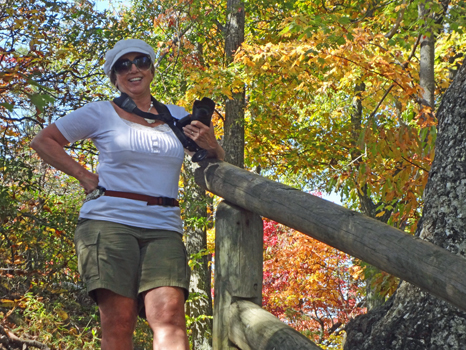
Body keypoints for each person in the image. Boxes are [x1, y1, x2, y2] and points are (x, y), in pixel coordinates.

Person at [31, 38, 225, 350]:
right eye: (123, 65)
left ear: (151, 69)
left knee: (170, 316)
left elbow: (213, 162)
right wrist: (83, 175)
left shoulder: (175, 116)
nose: (133, 69)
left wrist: (211, 143)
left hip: (164, 226)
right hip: (108, 224)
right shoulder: (100, 113)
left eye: (140, 62)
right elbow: (44, 141)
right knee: (119, 321)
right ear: (115, 77)